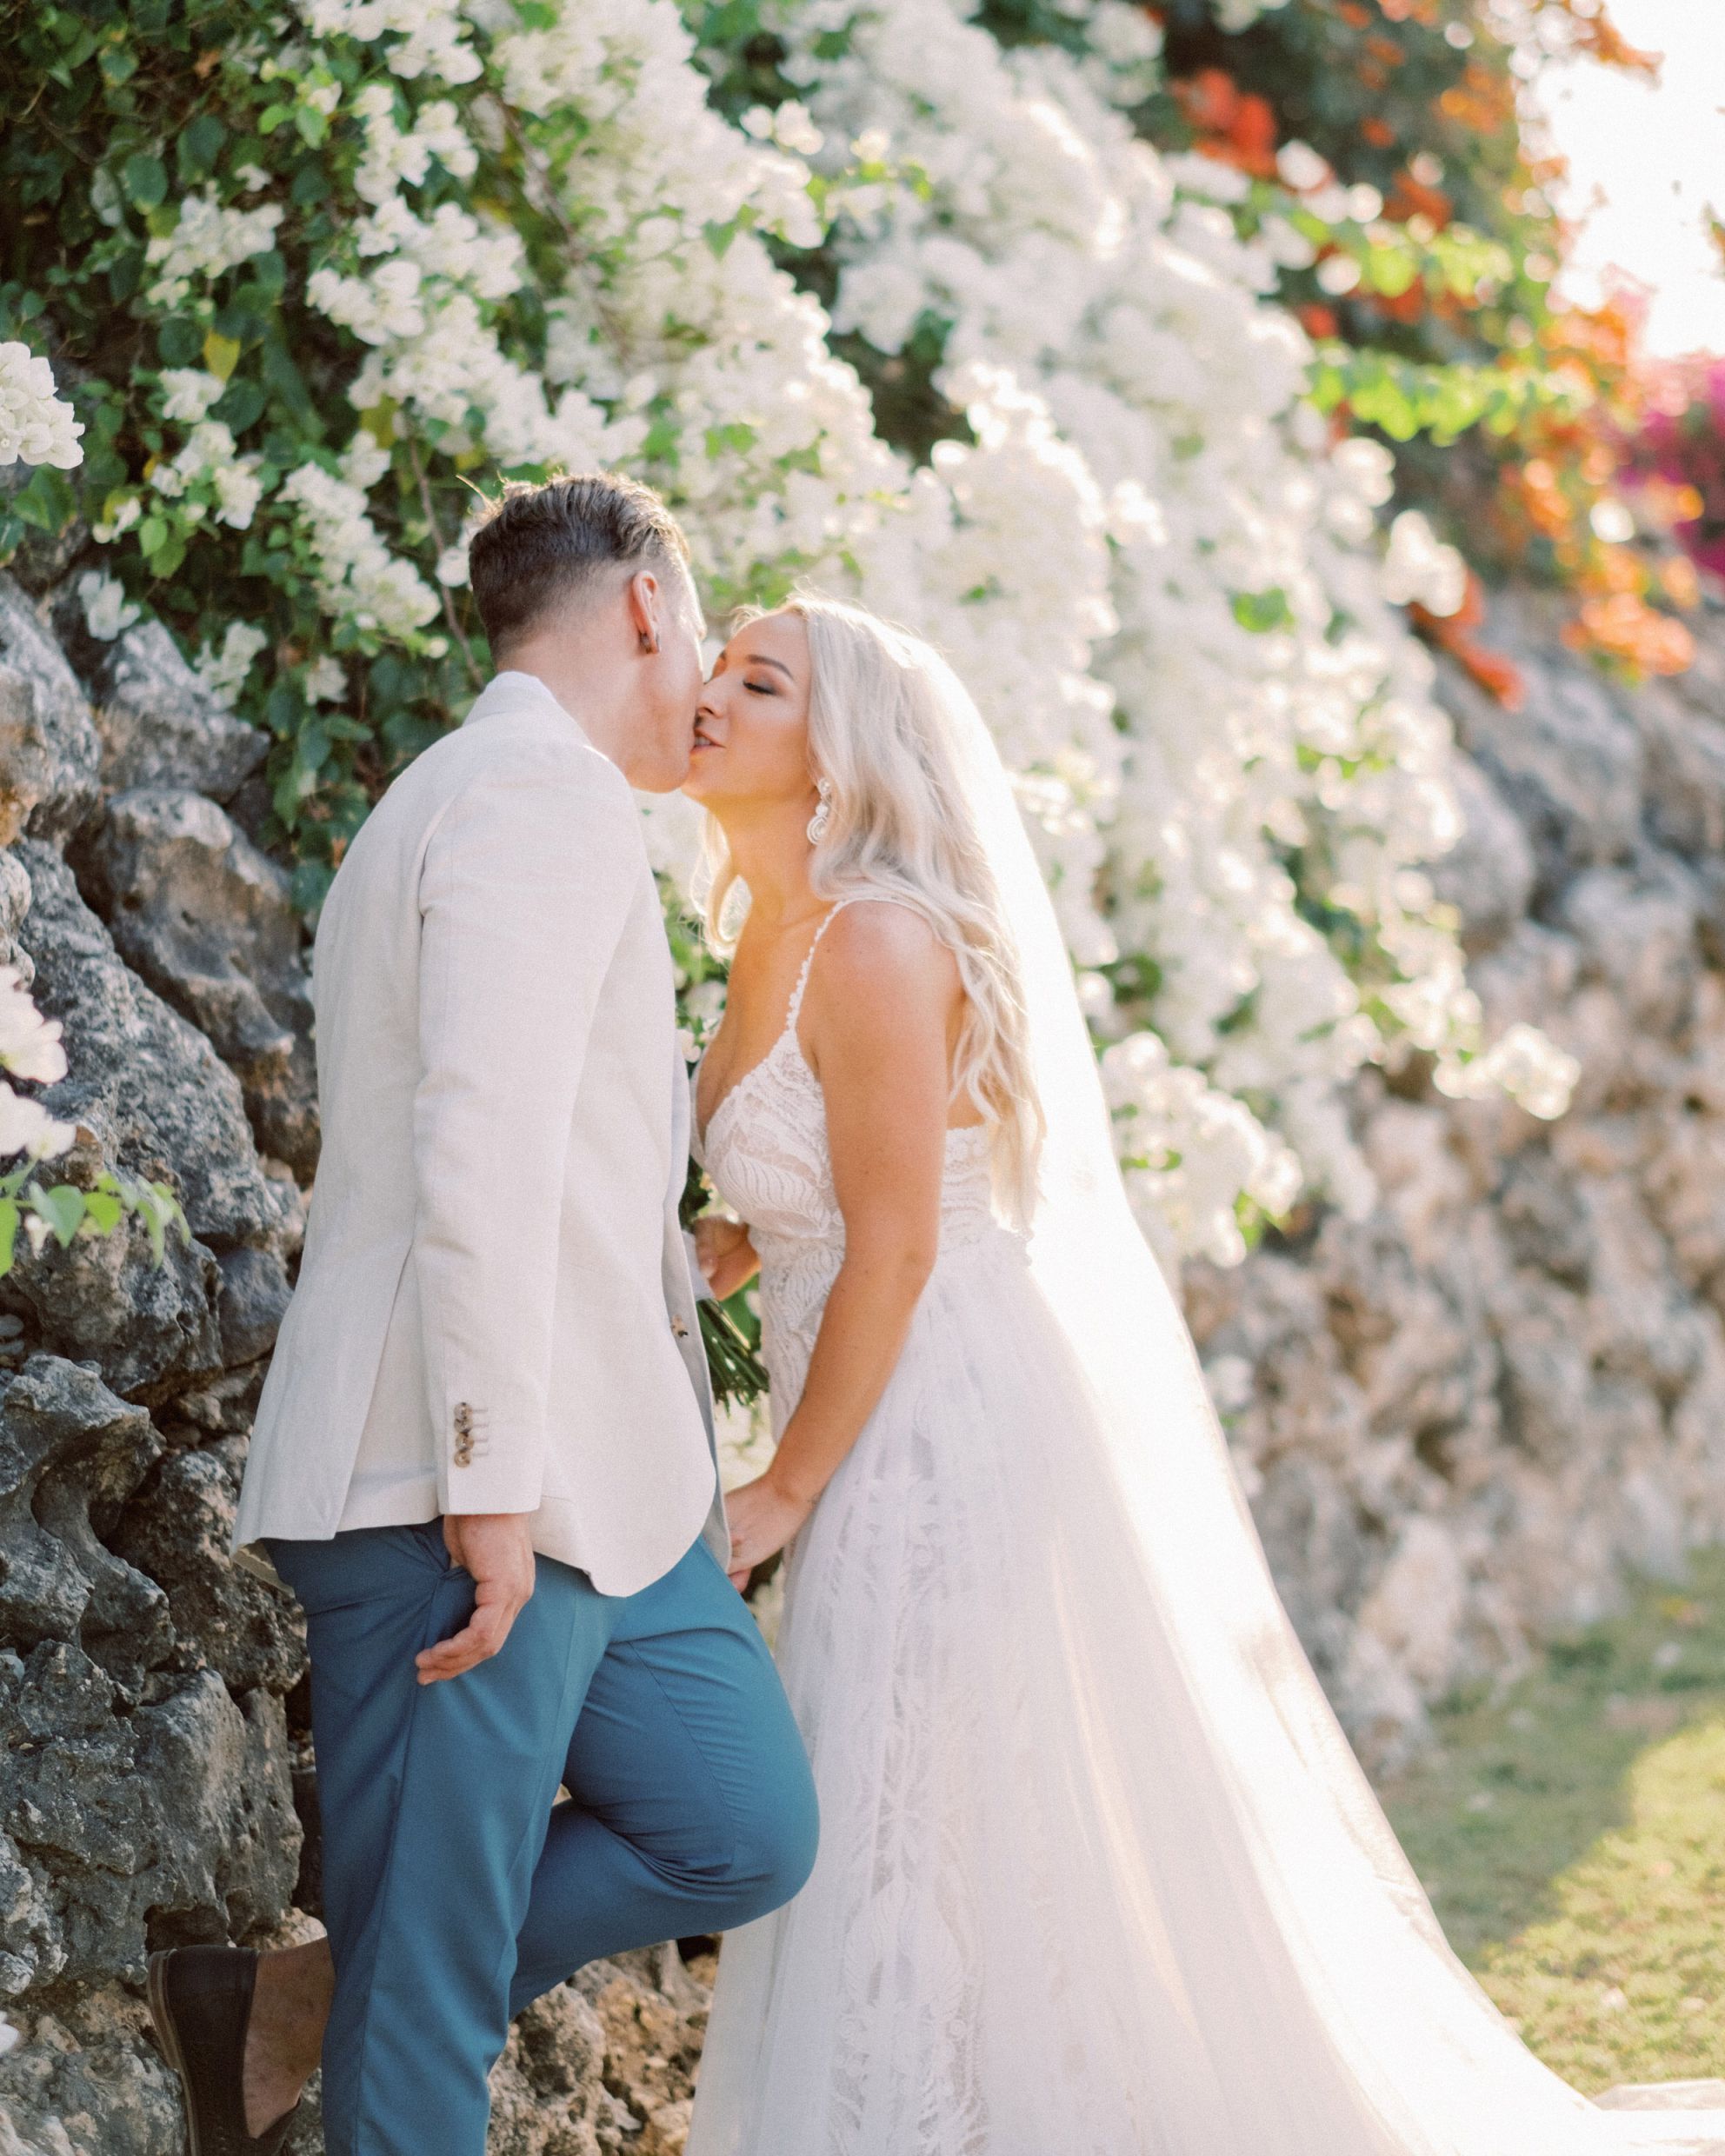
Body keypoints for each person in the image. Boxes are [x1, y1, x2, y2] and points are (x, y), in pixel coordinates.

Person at [678, 592, 1725, 2155]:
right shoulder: (768, 925)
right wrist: (747, 1235)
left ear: (837, 759)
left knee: (928, 1814)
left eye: (757, 681)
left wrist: (782, 1487)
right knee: (915, 1809)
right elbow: (847, 1179)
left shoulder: (877, 941)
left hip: (935, 1418)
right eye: (717, 666)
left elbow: (901, 1247)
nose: (709, 692)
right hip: (877, 1389)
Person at [147, 475, 817, 2156]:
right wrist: (488, 1485)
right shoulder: (534, 795)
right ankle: (347, 2022)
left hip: (610, 1484)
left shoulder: (490, 792)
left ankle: (287, 2009)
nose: (707, 681)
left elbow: (557, 1128)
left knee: (742, 1822)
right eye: (704, 631)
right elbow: (481, 1148)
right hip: (464, 1490)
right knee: (433, 2013)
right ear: (648, 605)